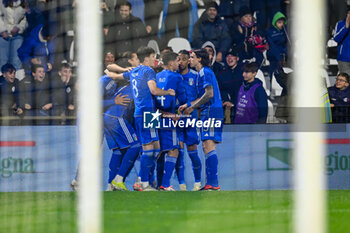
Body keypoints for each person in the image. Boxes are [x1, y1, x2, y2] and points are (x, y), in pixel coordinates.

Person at [105, 46, 175, 191]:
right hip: (146, 112)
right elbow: (154, 90)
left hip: (147, 112)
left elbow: (112, 75)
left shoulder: (134, 71)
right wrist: (168, 92)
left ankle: (144, 179)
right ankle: (143, 183)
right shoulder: (148, 71)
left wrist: (109, 71)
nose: (154, 59)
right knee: (148, 148)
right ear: (147, 57)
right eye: (153, 56)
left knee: (156, 147)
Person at [179, 48, 223, 191]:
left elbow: (209, 94)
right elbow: (203, 96)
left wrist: (193, 107)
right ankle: (210, 183)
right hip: (207, 111)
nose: (190, 59)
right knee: (206, 146)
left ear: (200, 59)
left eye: (192, 57)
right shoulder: (201, 73)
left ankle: (213, 183)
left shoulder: (205, 72)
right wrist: (189, 104)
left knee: (208, 145)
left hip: (211, 111)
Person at [100, 70, 141, 191]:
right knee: (137, 145)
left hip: (107, 117)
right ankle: (120, 179)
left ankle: (110, 185)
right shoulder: (139, 87)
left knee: (118, 151)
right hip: (117, 117)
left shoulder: (122, 86)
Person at [154, 51, 186, 191]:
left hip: (154, 116)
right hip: (169, 116)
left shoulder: (156, 76)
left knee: (159, 151)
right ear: (171, 62)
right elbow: (183, 99)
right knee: (173, 149)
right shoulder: (176, 77)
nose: (179, 63)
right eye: (177, 60)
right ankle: (166, 184)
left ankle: (155, 182)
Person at [176, 49, 202, 191]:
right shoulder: (173, 76)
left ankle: (197, 182)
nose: (181, 62)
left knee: (192, 151)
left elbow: (202, 96)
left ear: (188, 61)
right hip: (176, 119)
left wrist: (193, 107)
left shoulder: (196, 76)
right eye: (178, 59)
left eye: (183, 59)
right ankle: (181, 185)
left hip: (190, 119)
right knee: (178, 152)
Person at [216, 47, 244, 123]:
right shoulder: (222, 74)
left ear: (237, 58)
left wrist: (235, 103)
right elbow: (221, 90)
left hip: (242, 104)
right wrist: (226, 100)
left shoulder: (243, 72)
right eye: (228, 56)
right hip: (227, 105)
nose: (229, 58)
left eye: (232, 56)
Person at [0, 0, 27, 71]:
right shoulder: (2, 2)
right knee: (3, 61)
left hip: (17, 36)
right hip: (3, 36)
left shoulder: (23, 3)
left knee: (16, 61)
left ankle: (16, 80)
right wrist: (3, 30)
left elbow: (24, 19)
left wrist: (18, 28)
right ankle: (2, 80)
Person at [266, 11, 288, 83]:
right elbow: (272, 46)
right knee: (274, 70)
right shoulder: (271, 32)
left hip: (282, 54)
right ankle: (272, 81)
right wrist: (278, 58)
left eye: (282, 22)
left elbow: (286, 43)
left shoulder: (284, 31)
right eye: (279, 23)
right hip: (273, 55)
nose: (281, 24)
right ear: (275, 23)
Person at [334, 7, 350, 75]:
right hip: (344, 60)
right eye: (349, 13)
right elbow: (336, 39)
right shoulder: (340, 24)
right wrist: (346, 27)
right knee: (346, 83)